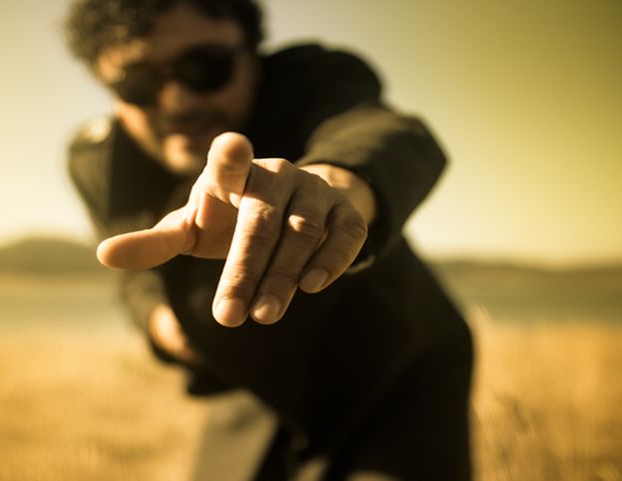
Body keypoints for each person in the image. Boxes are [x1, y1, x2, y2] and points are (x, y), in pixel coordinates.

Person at [64, 1, 473, 480]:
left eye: (205, 67)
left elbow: (384, 133)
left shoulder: (310, 80)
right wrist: (164, 326)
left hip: (390, 365)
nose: (178, 103)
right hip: (244, 383)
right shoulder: (100, 161)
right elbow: (136, 278)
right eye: (139, 83)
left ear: (253, 57)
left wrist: (334, 188)